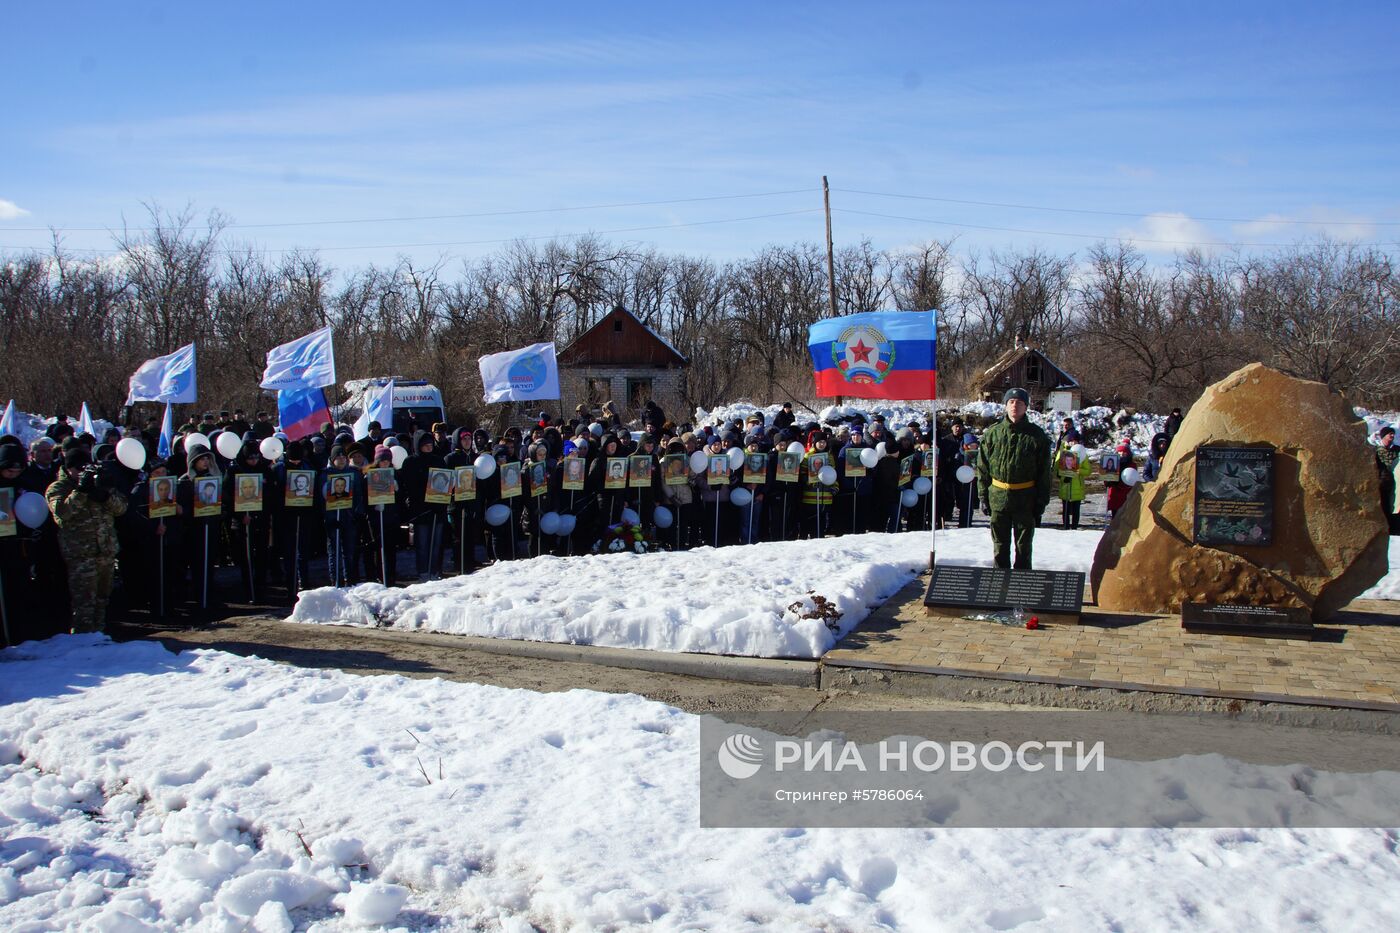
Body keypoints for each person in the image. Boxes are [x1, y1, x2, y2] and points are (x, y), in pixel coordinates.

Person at [45, 448, 127, 633]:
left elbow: (121, 508)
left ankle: (99, 633)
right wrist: (81, 491)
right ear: (69, 469)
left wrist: (105, 496)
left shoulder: (100, 483)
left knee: (102, 598)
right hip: (81, 554)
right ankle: (83, 640)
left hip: (105, 550)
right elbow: (62, 513)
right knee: (84, 601)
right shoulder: (58, 488)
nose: (82, 472)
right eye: (78, 469)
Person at [976, 387, 1052, 569]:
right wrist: (982, 496)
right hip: (998, 497)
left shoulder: (1037, 436)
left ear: (1026, 407)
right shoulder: (992, 434)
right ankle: (1000, 587)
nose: (1014, 406)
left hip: (1025, 499)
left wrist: (1041, 501)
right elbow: (983, 467)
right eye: (1011, 402)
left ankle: (1022, 589)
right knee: (1000, 546)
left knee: (1024, 547)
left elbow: (1044, 472)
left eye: (1019, 402)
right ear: (1005, 406)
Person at [1377, 426, 1400, 535]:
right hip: (1380, 484)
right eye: (1389, 434)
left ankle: (1394, 529)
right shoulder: (1376, 451)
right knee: (1383, 506)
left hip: (1395, 484)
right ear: (1383, 436)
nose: (1392, 435)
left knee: (1394, 507)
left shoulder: (1397, 449)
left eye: (1393, 433)